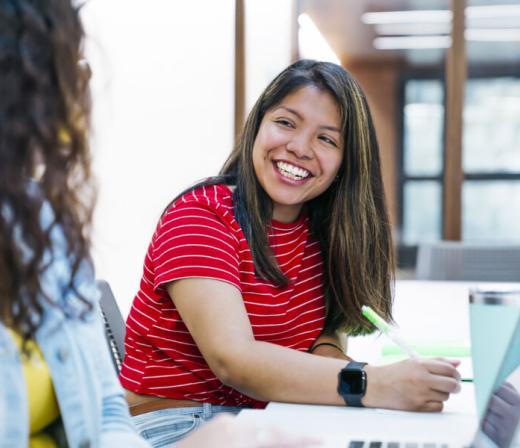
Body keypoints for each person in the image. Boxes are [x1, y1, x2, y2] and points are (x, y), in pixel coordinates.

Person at [0, 1, 322, 447]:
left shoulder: (40, 228)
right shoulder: (202, 212)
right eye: (62, 66)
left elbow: (105, 416)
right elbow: (235, 360)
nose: (83, 86)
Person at [120, 59, 462, 446]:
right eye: (286, 123)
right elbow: (233, 359)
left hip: (268, 417)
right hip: (173, 425)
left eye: (326, 139)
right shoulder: (200, 216)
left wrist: (366, 375)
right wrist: (374, 383)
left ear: (345, 164)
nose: (299, 148)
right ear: (258, 126)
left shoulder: (320, 229)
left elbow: (322, 338)